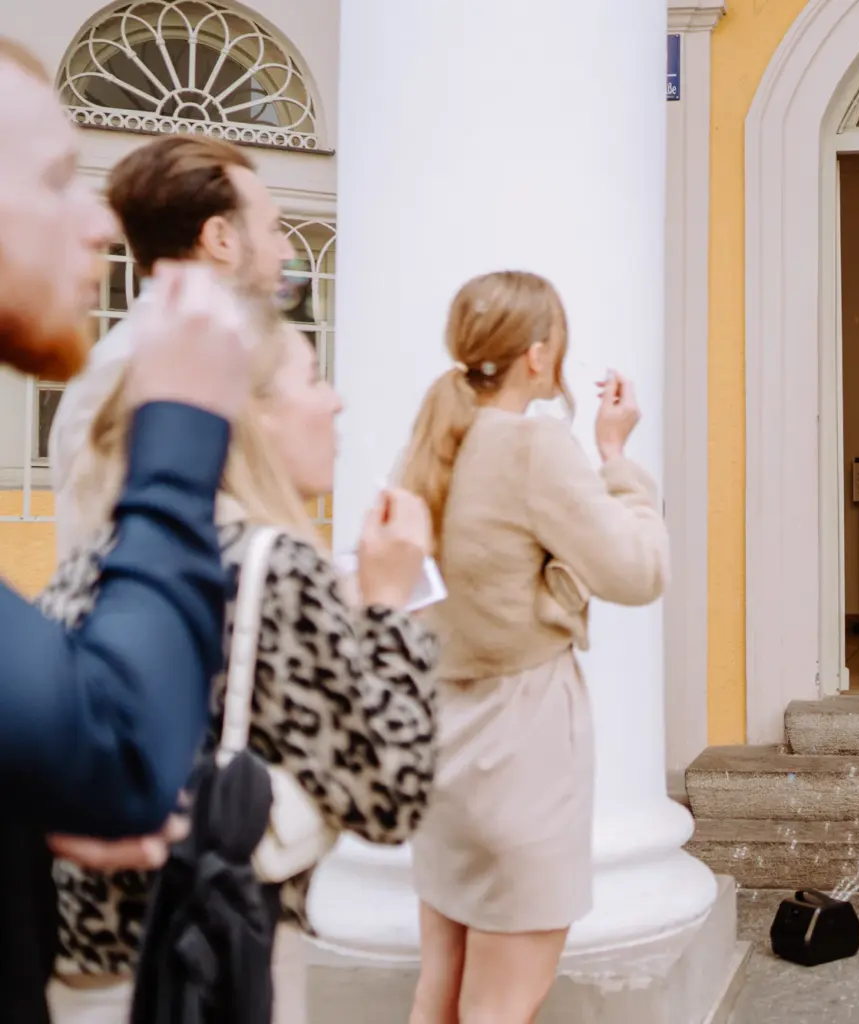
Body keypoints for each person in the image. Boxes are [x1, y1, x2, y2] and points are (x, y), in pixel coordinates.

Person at [41, 310, 439, 1023]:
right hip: (207, 963)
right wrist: (385, 608)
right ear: (251, 417)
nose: (337, 399)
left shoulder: (97, 556)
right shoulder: (273, 567)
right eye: (314, 378)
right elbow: (393, 795)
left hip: (83, 970)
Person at [0, 38, 252, 1021]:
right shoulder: (143, 371)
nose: (102, 221)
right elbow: (126, 759)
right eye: (59, 178)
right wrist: (182, 426)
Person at [401, 272, 668, 1024]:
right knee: (500, 1008)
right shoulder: (532, 446)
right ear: (539, 355)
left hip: (444, 747)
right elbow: (640, 571)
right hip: (521, 750)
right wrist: (616, 459)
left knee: (439, 995)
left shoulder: (431, 445)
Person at [49, 133, 295, 555]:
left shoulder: (200, 357)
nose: (286, 251)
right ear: (220, 238)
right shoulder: (134, 369)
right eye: (273, 228)